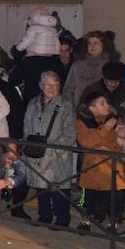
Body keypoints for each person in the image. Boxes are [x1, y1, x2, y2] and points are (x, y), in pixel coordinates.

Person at [21, 72, 76, 227]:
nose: (51, 88)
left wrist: (55, 149)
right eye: (47, 84)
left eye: (55, 85)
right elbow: (27, 125)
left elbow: (70, 132)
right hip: (36, 151)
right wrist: (28, 143)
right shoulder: (33, 103)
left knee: (59, 188)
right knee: (41, 186)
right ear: (40, 85)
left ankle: (62, 218)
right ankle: (44, 215)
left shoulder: (66, 104)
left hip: (57, 154)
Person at [76, 92, 125, 232]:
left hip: (113, 169)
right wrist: (104, 130)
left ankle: (113, 224)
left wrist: (107, 148)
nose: (106, 106)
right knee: (87, 198)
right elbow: (86, 141)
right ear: (92, 108)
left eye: (106, 103)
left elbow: (120, 142)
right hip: (92, 168)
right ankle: (85, 221)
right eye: (102, 103)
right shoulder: (83, 121)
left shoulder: (115, 120)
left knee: (113, 200)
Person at [14, 7, 62, 102]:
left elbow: (27, 41)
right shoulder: (52, 30)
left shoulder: (33, 29)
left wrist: (18, 49)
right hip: (52, 100)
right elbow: (57, 44)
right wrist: (56, 53)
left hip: (33, 98)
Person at [64, 33, 113, 106]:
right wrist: (71, 106)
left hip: (102, 107)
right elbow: (68, 88)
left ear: (103, 45)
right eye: (89, 43)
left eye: (96, 43)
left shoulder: (110, 64)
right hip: (80, 107)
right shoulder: (77, 64)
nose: (92, 46)